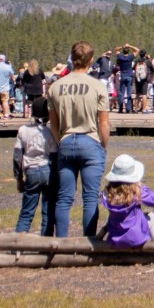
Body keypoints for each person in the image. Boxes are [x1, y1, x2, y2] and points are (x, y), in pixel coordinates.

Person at [48, 41, 110, 237]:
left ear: (72, 59)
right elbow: (104, 124)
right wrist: (103, 146)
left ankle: (61, 243)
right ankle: (89, 241)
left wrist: (60, 142)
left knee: (64, 198)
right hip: (90, 140)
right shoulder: (98, 86)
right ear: (91, 61)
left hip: (66, 141)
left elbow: (54, 123)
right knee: (90, 197)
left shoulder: (56, 87)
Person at [13, 96, 58, 234]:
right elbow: (54, 155)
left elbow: (17, 156)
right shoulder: (50, 132)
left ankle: (17, 245)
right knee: (48, 211)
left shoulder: (23, 130)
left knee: (27, 211)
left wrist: (19, 178)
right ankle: (46, 246)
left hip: (31, 170)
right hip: (47, 169)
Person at [100, 154, 154, 247]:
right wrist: (141, 187)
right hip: (136, 236)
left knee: (113, 219)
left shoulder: (108, 193)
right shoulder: (137, 190)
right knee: (151, 216)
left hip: (115, 237)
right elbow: (153, 201)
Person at [115, 43, 139, 114]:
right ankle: (129, 108)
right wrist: (130, 46)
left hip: (123, 75)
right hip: (129, 75)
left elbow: (116, 49)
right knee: (129, 93)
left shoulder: (120, 57)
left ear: (123, 51)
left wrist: (122, 46)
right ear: (128, 51)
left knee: (121, 93)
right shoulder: (130, 57)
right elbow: (137, 50)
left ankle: (120, 108)